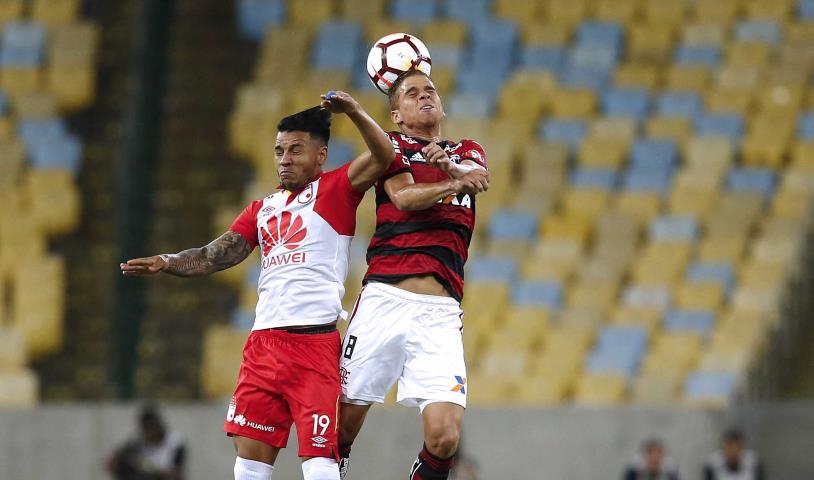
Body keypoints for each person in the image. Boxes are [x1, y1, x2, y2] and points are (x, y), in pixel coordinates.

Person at [121, 92, 403, 480]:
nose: (285, 159)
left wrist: (353, 111)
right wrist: (166, 261)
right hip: (263, 348)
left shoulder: (337, 189)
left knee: (321, 464)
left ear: (321, 156)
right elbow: (214, 255)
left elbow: (386, 156)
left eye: (296, 150)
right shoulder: (262, 208)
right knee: (249, 467)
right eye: (279, 150)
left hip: (314, 347)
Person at [337, 69, 490, 480]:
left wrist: (453, 169)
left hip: (439, 313)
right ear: (396, 115)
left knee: (444, 438)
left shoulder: (467, 148)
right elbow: (403, 197)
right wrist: (449, 181)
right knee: (340, 426)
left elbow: (478, 177)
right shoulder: (391, 149)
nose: (424, 97)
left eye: (430, 91)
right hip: (384, 300)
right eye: (411, 94)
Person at [107, 404, 186, 480]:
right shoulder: (137, 442)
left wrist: (148, 467)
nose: (147, 432)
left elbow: (175, 473)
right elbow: (113, 462)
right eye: (144, 429)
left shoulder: (174, 441)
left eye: (150, 427)